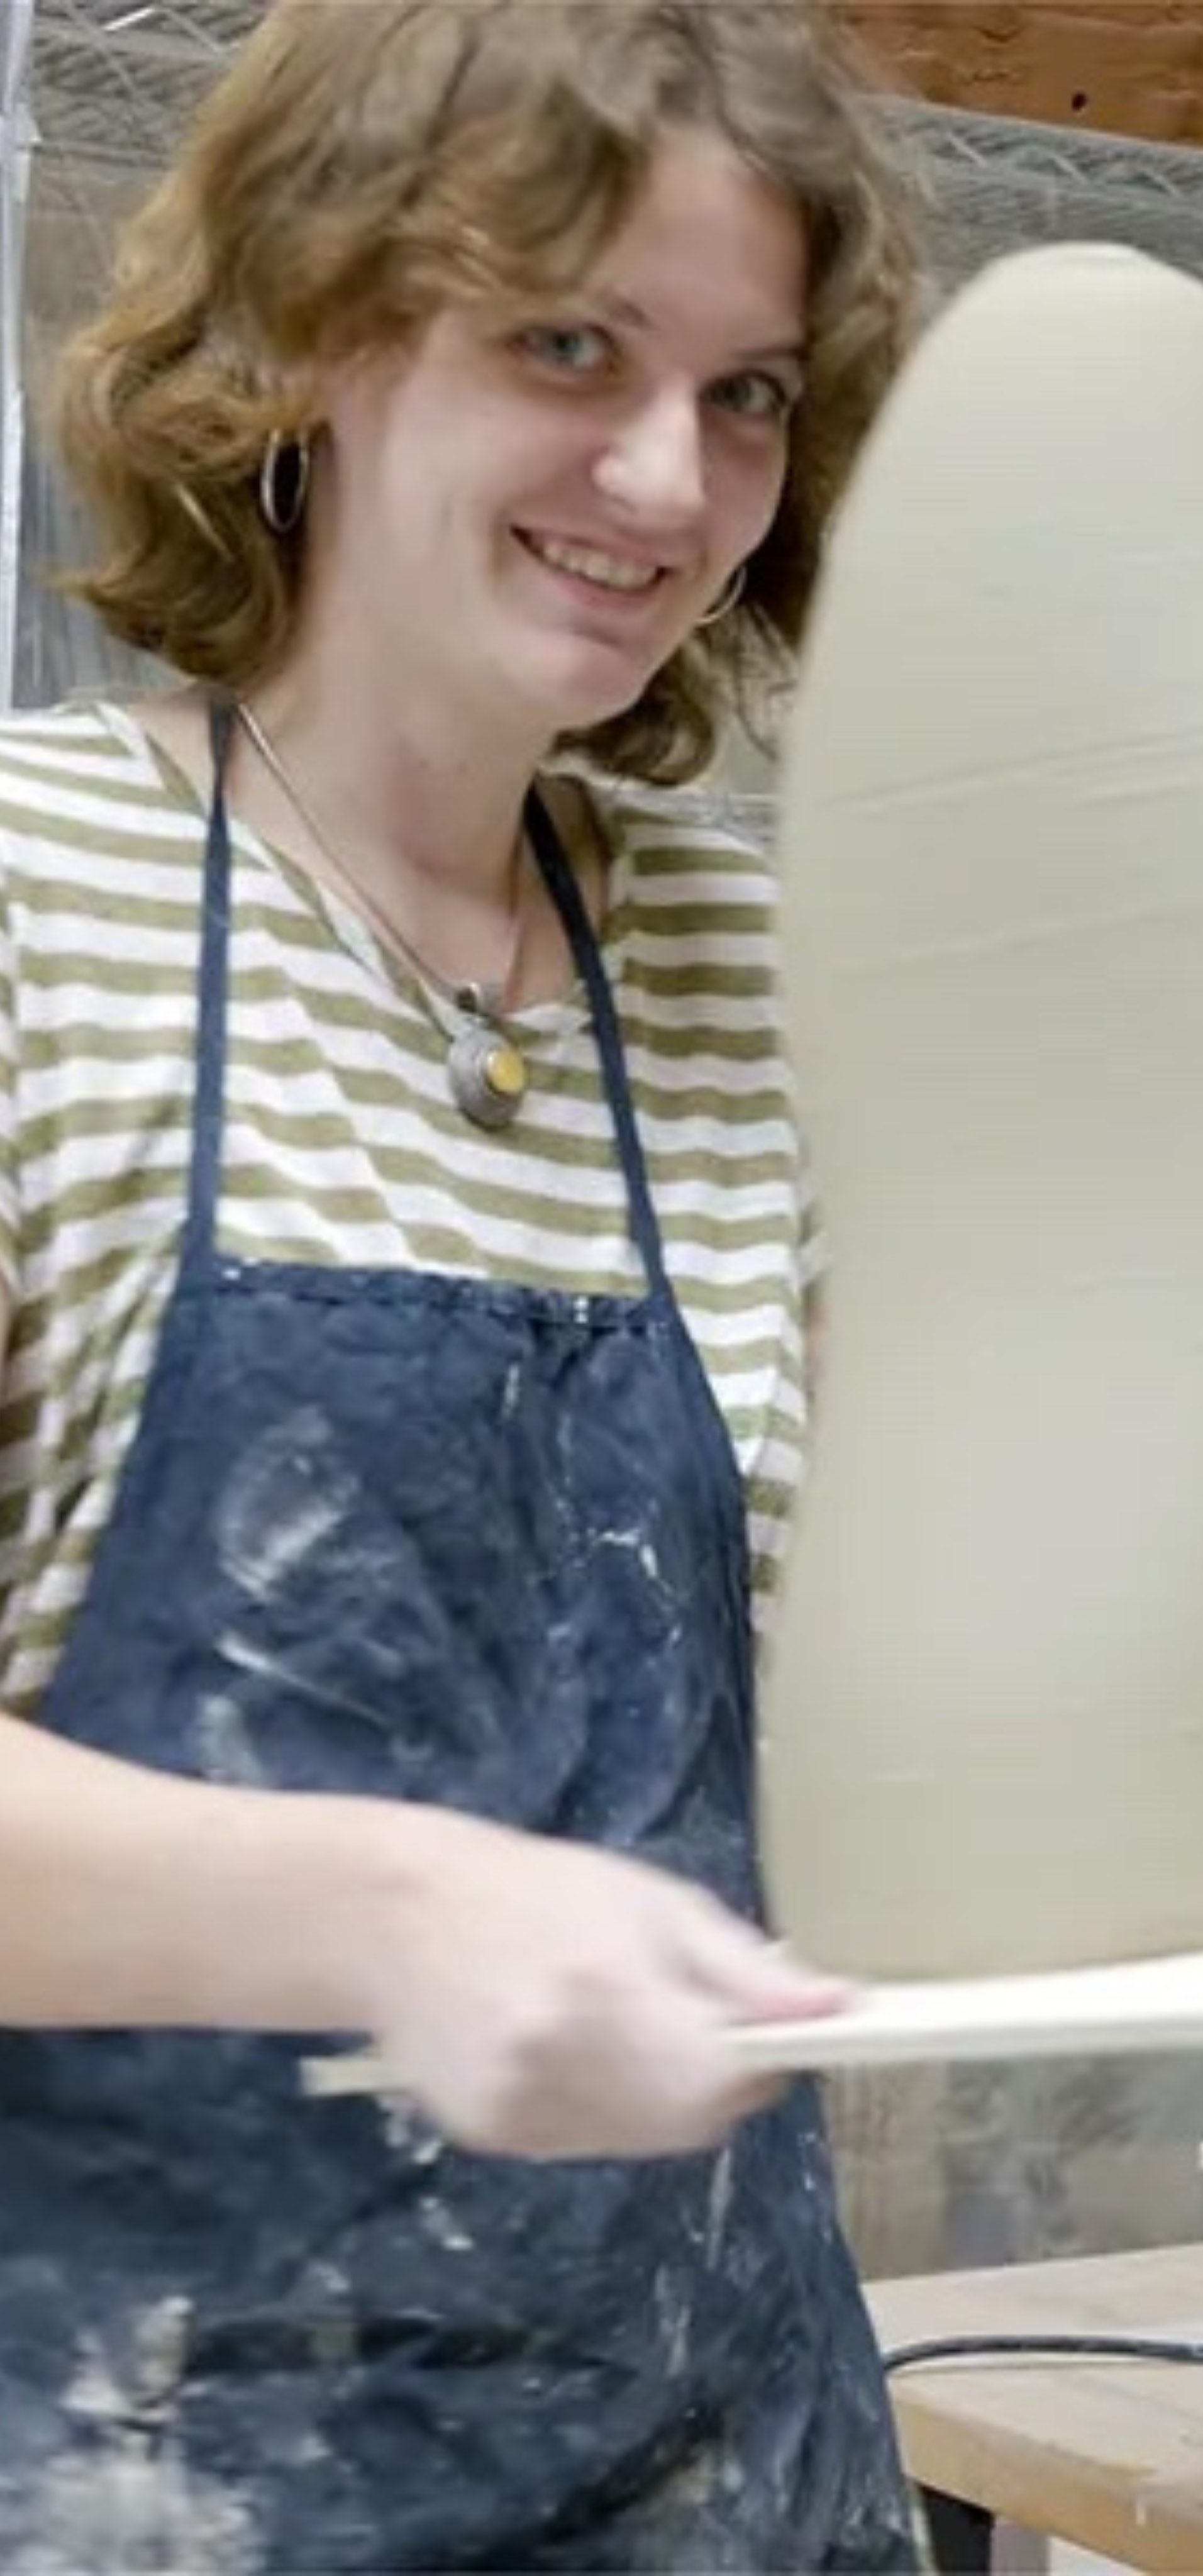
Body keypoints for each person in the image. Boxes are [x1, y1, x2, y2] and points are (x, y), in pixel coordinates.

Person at [0, 0, 926, 2563]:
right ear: (305, 329)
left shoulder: (763, 970)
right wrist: (388, 1905)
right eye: (566, 347)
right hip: (127, 2479)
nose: (668, 480)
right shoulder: (32, 911)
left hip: (729, 2478)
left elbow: (919, 1688)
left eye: (746, 395)